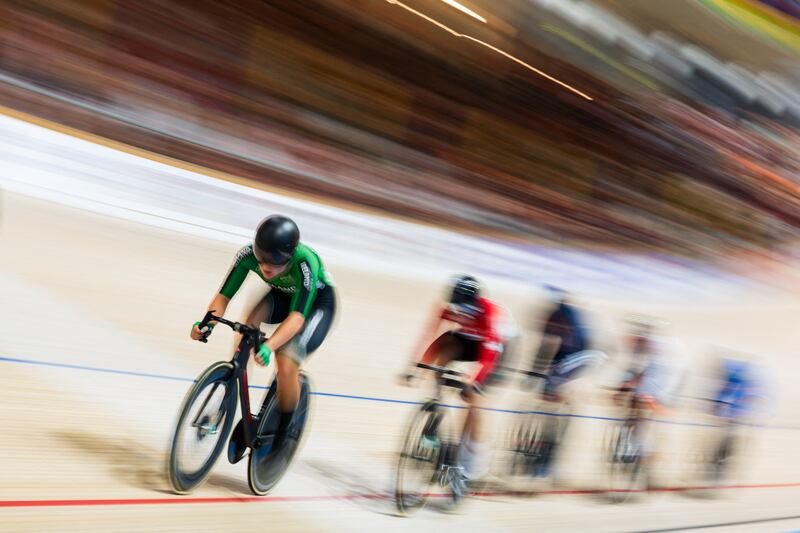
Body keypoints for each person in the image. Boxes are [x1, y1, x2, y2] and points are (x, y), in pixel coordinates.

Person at [190, 215, 336, 455]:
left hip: (317, 306)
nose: (266, 266)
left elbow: (298, 318)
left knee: (286, 359)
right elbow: (224, 296)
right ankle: (235, 378)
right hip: (282, 295)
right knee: (249, 324)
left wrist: (269, 345)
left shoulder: (304, 262)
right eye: (261, 257)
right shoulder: (247, 255)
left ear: (289, 255)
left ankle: (285, 431)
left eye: (276, 260)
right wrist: (208, 322)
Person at [400, 275, 504, 494]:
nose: (459, 313)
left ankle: (472, 465)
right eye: (456, 309)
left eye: (464, 310)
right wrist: (417, 367)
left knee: (473, 400)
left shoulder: (489, 313)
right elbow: (430, 336)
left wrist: (472, 380)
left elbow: (489, 354)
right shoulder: (447, 308)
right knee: (444, 345)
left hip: (495, 349)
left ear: (475, 305)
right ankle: (437, 411)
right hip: (468, 340)